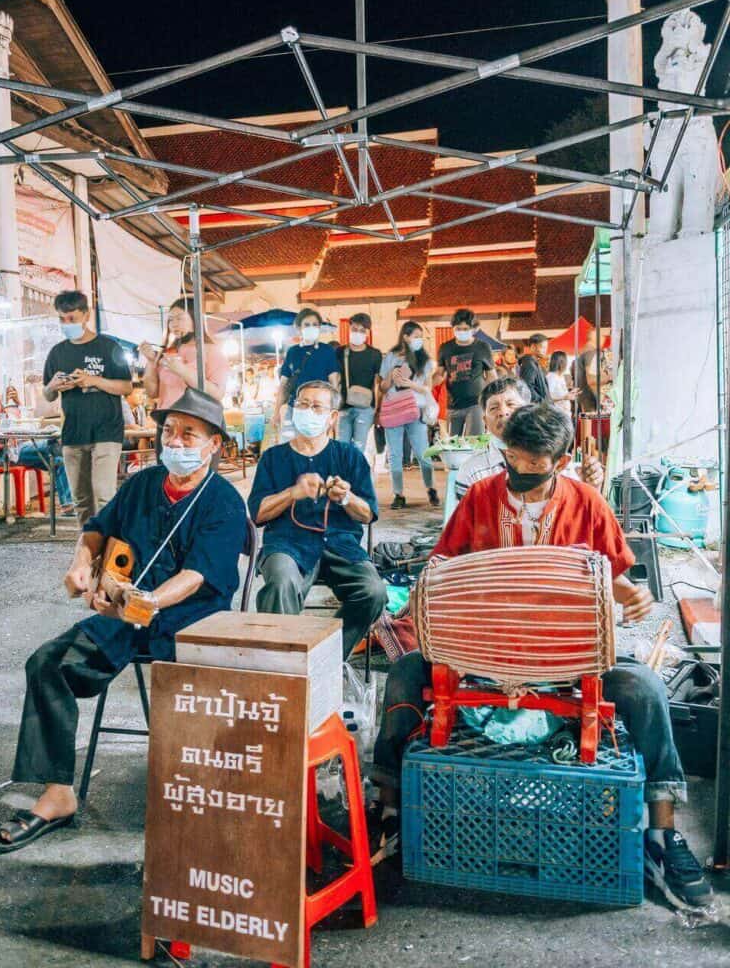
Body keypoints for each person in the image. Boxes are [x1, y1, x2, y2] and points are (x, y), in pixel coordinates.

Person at [371, 403, 712, 910]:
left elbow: (617, 581)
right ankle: (391, 812)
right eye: (511, 458)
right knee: (402, 675)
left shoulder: (588, 503)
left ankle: (663, 834)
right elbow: (443, 569)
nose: (518, 474)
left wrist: (630, 596)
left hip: (568, 661)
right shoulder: (481, 498)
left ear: (563, 458)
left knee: (645, 690)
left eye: (533, 465)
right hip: (483, 652)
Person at [0, 388, 247, 854]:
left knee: (199, 699)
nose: (176, 440)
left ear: (215, 445)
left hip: (190, 618)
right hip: (123, 613)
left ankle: (201, 794)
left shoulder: (225, 502)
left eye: (189, 433)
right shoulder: (143, 484)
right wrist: (81, 563)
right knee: (48, 662)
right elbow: (97, 529)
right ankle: (58, 793)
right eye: (169, 431)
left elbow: (196, 575)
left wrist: (149, 602)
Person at [248, 380, 386, 659]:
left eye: (317, 406)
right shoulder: (273, 458)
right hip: (287, 544)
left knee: (374, 592)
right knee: (281, 583)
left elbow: (368, 513)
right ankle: (286, 664)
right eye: (302, 404)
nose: (308, 411)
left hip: (340, 545)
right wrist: (292, 493)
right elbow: (258, 514)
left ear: (332, 417)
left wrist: (346, 498)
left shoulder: (349, 456)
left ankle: (327, 656)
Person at [43, 291, 132, 526]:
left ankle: (109, 549)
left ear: (86, 314)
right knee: (81, 500)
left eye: (72, 318)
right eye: (62, 319)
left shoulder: (109, 347)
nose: (67, 324)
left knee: (104, 495)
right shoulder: (57, 352)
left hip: (106, 432)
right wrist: (53, 385)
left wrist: (93, 380)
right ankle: (87, 549)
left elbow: (126, 386)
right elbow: (48, 393)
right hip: (73, 433)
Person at [455, 377, 603, 500]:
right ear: (485, 421)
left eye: (510, 404)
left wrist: (590, 487)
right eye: (494, 408)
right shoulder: (471, 471)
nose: (503, 412)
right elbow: (465, 527)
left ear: (529, 410)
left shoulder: (554, 459)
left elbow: (580, 511)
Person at [0, 373, 74, 512]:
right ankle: (58, 444)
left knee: (59, 460)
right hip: (6, 454)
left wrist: (16, 401)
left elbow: (24, 425)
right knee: (56, 447)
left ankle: (68, 505)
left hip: (22, 446)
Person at [140, 297, 229, 443]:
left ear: (195, 319)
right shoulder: (168, 352)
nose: (174, 324)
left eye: (179, 318)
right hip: (168, 422)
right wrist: (151, 362)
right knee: (165, 465)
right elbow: (152, 392)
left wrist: (183, 371)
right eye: (170, 320)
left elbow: (217, 393)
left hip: (199, 423)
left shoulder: (212, 350)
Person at [380, 322, 439, 510]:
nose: (419, 339)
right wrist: (390, 376)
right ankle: (398, 494)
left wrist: (411, 385)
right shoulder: (390, 357)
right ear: (405, 336)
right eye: (415, 335)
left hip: (416, 410)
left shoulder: (425, 360)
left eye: (421, 336)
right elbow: (382, 387)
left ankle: (431, 489)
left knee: (423, 453)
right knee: (395, 454)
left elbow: (428, 388)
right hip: (393, 409)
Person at [273, 309, 340, 439]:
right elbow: (283, 385)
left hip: (319, 410)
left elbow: (334, 384)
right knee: (288, 447)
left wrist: (333, 412)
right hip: (295, 408)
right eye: (307, 325)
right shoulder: (292, 352)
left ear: (319, 327)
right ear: (299, 328)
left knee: (316, 450)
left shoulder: (327, 351)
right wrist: (276, 412)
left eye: (315, 325)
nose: (312, 328)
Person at [434, 309, 494, 437]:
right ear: (453, 328)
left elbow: (491, 376)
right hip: (453, 405)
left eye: (465, 328)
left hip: (476, 403)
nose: (462, 331)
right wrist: (429, 382)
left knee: (473, 443)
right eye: (458, 328)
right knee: (454, 444)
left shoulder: (483, 347)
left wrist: (492, 400)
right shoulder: (445, 348)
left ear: (473, 329)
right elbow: (439, 373)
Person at [336, 313, 383, 452]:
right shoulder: (340, 352)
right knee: (342, 446)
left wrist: (378, 410)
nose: (358, 333)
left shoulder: (375, 354)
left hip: (366, 408)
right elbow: (335, 379)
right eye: (355, 329)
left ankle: (355, 473)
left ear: (368, 333)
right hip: (344, 407)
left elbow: (379, 384)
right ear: (349, 329)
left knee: (358, 447)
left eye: (362, 330)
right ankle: (344, 473)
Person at [575, 336, 612, 413]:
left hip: (590, 397)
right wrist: (610, 377)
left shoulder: (595, 355)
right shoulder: (593, 354)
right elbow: (591, 380)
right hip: (593, 398)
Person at [518, 333, 550, 403]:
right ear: (533, 347)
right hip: (538, 408)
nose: (545, 350)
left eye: (546, 347)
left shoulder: (535, 363)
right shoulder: (529, 362)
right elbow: (527, 387)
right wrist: (542, 402)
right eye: (543, 347)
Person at [546, 350, 578, 418]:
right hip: (556, 417)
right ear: (561, 363)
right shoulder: (552, 377)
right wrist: (564, 397)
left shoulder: (560, 376)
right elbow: (547, 398)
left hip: (564, 415)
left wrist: (570, 393)